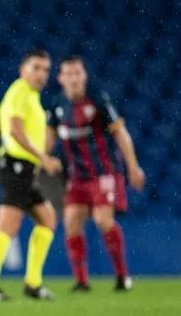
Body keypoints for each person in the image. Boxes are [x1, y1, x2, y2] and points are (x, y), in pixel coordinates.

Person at [47, 55, 146, 291]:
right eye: (68, 74)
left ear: (84, 76)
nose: (73, 78)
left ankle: (122, 276)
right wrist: (42, 157)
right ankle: (82, 280)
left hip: (104, 173)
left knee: (103, 220)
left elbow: (120, 133)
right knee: (71, 223)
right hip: (76, 177)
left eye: (77, 73)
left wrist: (133, 165)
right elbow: (48, 136)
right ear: (61, 78)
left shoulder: (99, 101)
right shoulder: (57, 105)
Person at [0, 49, 63, 302]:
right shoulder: (19, 92)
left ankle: (32, 284)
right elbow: (15, 130)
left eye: (46, 69)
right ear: (22, 69)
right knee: (8, 224)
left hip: (24, 168)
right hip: (15, 165)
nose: (41, 74)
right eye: (36, 68)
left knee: (47, 219)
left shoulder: (32, 97)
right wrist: (43, 157)